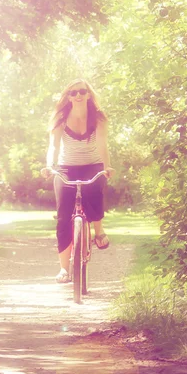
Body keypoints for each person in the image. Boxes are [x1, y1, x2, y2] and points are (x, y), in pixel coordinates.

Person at [42, 79, 113, 283]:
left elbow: (102, 144)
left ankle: (98, 231)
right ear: (68, 96)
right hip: (66, 167)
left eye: (82, 91)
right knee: (64, 216)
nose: (78, 95)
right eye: (73, 93)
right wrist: (49, 165)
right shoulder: (60, 118)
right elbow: (53, 146)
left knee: (94, 191)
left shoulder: (98, 118)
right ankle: (64, 269)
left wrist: (106, 167)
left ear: (89, 94)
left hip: (93, 164)